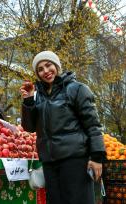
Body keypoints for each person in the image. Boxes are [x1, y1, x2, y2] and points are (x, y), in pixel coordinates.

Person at [20, 51, 106, 204]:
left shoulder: (77, 89)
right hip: (50, 163)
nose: (45, 71)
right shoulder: (37, 96)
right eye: (40, 69)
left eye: (48, 65)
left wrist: (97, 157)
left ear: (57, 66)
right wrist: (28, 101)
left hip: (75, 160)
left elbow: (92, 125)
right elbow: (29, 127)